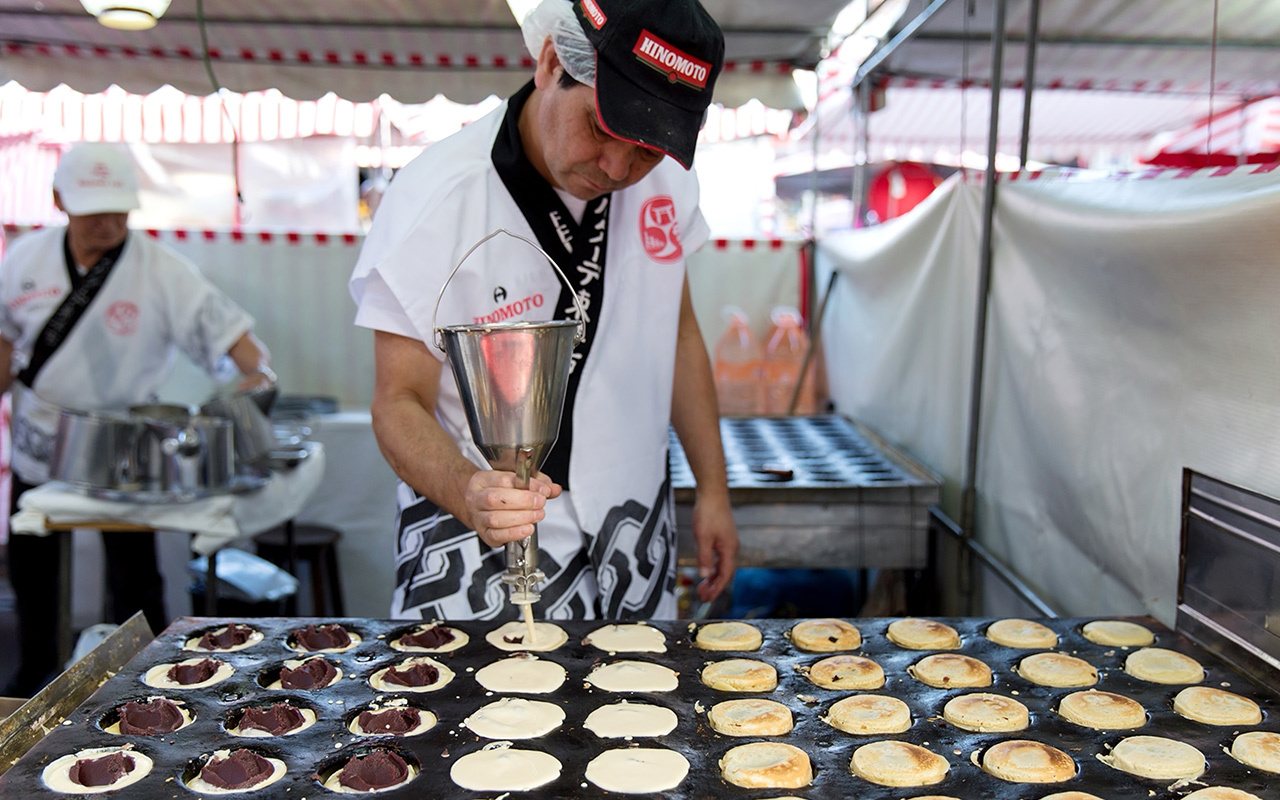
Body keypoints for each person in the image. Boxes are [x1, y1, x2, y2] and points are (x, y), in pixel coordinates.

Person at [350, 0, 738, 621]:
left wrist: (713, 490)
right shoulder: (440, 197)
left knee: (640, 713)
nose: (617, 168)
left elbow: (680, 334)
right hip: (480, 539)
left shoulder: (666, 184)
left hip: (631, 527)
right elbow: (397, 401)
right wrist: (465, 489)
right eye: (602, 128)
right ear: (552, 61)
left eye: (645, 150)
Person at [0, 143, 276, 695]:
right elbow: (6, 345)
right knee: (32, 569)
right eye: (93, 209)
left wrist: (253, 377)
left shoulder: (162, 270)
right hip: (41, 437)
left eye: (117, 210)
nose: (107, 222)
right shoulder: (25, 258)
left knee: (133, 574)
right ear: (59, 200)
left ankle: (143, 685)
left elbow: (241, 348)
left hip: (124, 446)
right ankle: (34, 677)